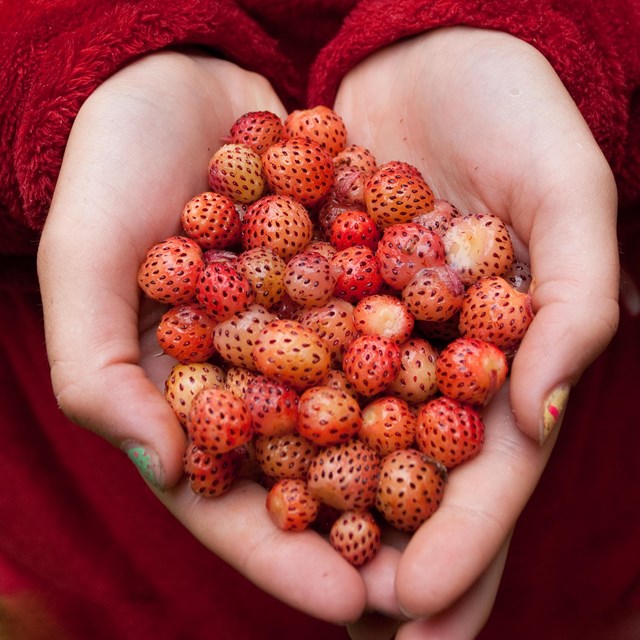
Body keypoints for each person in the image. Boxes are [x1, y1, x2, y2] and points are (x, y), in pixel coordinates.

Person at [1, 1, 638, 639]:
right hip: (97, 509)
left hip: (588, 466)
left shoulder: (395, 283)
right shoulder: (248, 297)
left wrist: (522, 26)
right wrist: (79, 63)